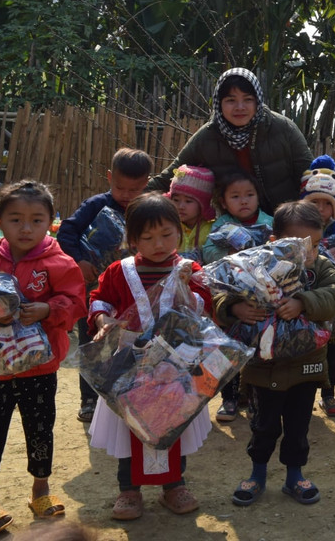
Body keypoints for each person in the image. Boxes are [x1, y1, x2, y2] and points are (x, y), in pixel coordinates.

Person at [0, 181, 86, 535]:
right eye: (16, 219)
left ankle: (41, 491)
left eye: (36, 220)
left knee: (40, 430)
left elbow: (77, 302)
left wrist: (49, 308)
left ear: (50, 221)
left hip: (40, 366)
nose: (26, 228)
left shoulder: (60, 263)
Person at [86, 194, 210, 521]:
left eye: (167, 234)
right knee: (131, 428)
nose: (159, 243)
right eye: (148, 237)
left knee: (174, 425)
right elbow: (100, 300)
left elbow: (205, 307)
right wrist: (102, 320)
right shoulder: (118, 271)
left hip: (175, 365)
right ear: (132, 239)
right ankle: (128, 491)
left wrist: (188, 289)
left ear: (179, 232)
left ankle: (174, 486)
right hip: (129, 364)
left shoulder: (189, 269)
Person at [221, 201, 335, 508]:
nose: (309, 253)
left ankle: (295, 476)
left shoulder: (320, 267)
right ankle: (257, 474)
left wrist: (304, 301)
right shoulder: (254, 264)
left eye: (315, 244)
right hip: (264, 368)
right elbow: (224, 288)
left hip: (306, 366)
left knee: (298, 426)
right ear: (274, 242)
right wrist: (234, 307)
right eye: (300, 246)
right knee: (263, 426)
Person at [56, 147, 152, 424]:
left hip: (136, 290)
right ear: (109, 177)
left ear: (146, 182)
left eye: (134, 189)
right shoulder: (96, 205)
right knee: (93, 341)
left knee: (134, 340)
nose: (126, 194)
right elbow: (67, 231)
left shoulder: (148, 208)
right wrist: (79, 260)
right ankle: (89, 399)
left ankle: (128, 394)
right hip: (98, 288)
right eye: (120, 187)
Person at [149, 68, 313, 214]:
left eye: (248, 99)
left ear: (258, 101)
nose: (240, 107)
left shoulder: (283, 129)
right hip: (235, 228)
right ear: (219, 104)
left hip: (287, 222)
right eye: (231, 100)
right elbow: (168, 178)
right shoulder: (207, 137)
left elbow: (312, 178)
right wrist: (127, 196)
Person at [300, 169, 335, 417]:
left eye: (327, 204)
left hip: (334, 300)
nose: (321, 209)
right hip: (307, 301)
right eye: (314, 202)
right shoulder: (297, 229)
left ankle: (329, 394)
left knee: (334, 348)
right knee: (307, 345)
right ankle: (303, 393)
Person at [202, 170, 274, 265]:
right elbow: (207, 252)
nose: (244, 201)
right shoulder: (222, 224)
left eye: (250, 195)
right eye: (235, 196)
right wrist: (229, 253)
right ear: (223, 203)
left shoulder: (269, 223)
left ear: (258, 199)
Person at [167, 165, 215, 257]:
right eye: (176, 200)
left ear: (202, 204)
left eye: (188, 201)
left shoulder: (212, 230)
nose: (181, 206)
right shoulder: (167, 226)